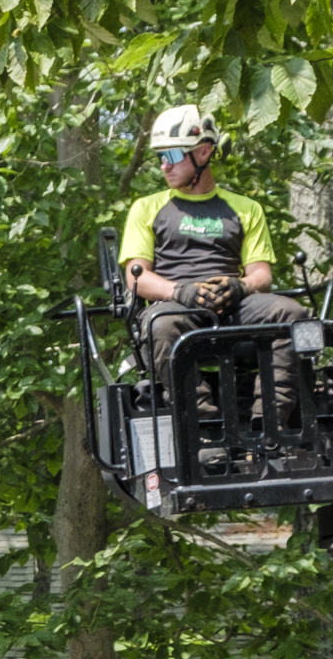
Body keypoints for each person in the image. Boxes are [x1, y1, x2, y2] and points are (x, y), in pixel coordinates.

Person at [117, 103, 308, 440]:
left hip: (234, 305)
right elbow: (138, 279)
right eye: (160, 156)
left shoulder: (245, 209)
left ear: (203, 153)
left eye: (173, 154)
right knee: (160, 325)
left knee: (290, 312)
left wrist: (239, 287)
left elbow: (261, 275)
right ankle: (203, 429)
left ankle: (271, 426)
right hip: (177, 305)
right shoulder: (146, 208)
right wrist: (181, 292)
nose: (164, 164)